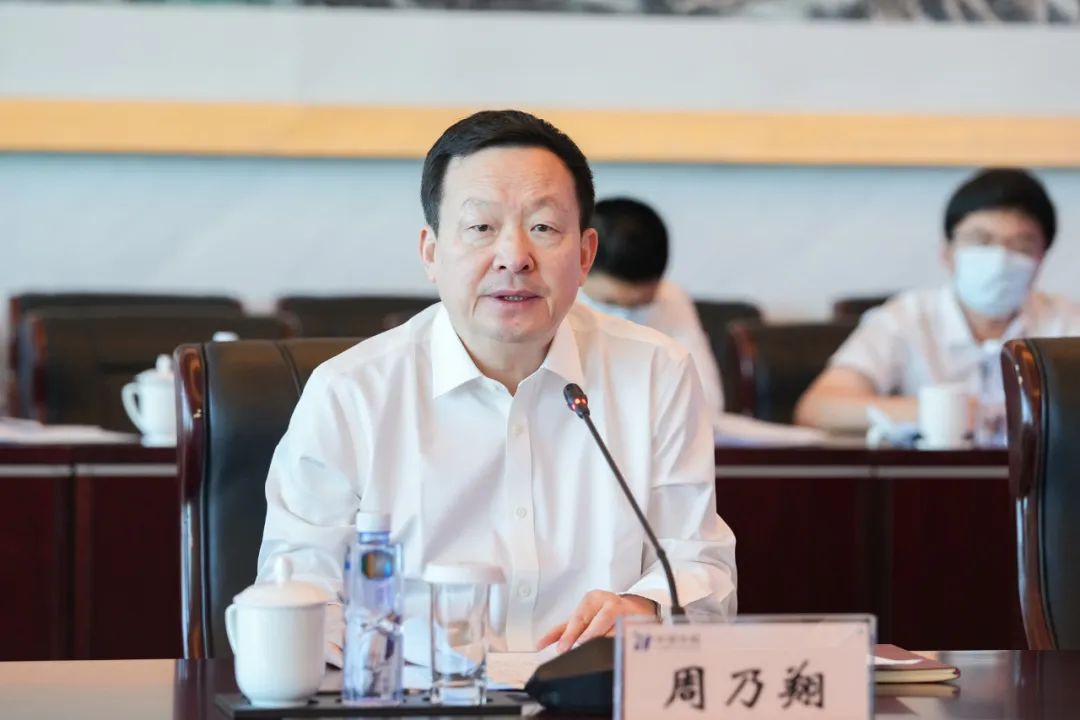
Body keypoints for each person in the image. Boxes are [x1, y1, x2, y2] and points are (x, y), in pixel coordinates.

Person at [256, 110, 737, 665]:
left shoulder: (656, 373)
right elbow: (298, 591)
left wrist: (645, 607)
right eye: (481, 228)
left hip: (592, 695)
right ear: (431, 253)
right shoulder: (350, 394)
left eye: (543, 228)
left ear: (585, 255)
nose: (514, 257)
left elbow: (701, 565)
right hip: (414, 697)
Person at [796, 168, 1080, 434]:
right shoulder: (904, 318)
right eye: (981, 240)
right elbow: (819, 408)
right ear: (947, 253)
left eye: (1021, 245)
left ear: (1041, 258)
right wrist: (938, 412)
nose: (1000, 258)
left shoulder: (1067, 323)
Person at [577, 197, 725, 422]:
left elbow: (706, 401)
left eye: (640, 305)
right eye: (610, 303)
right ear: (581, 260)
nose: (624, 318)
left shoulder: (669, 297)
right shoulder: (544, 301)